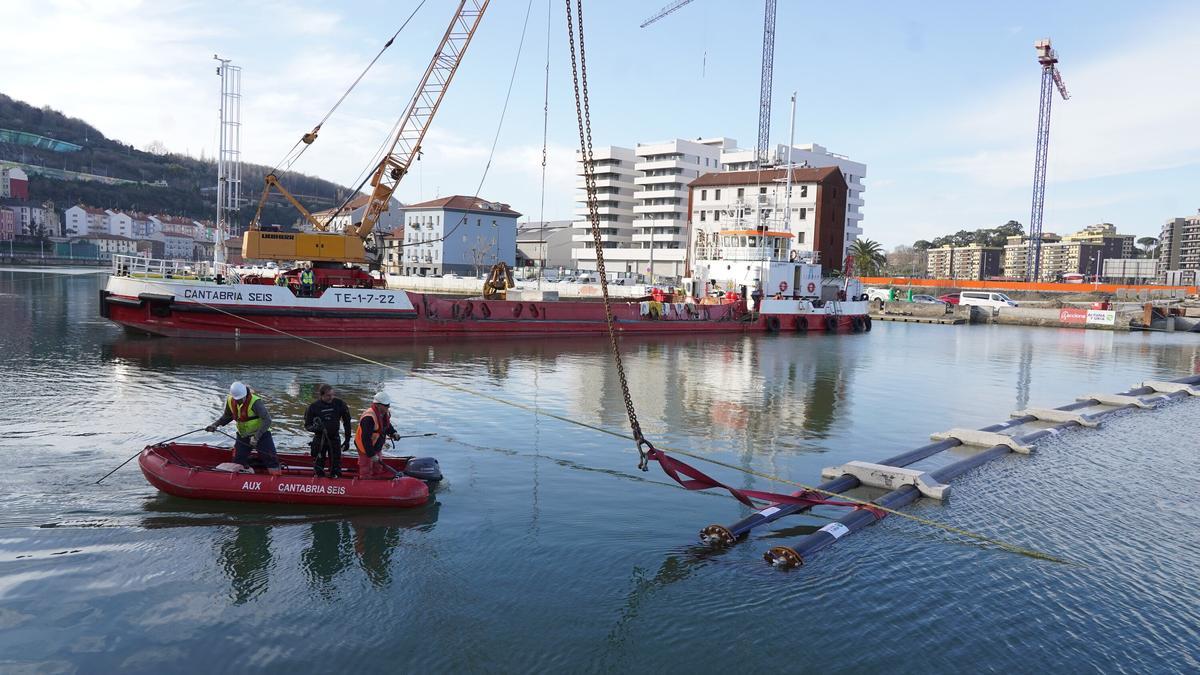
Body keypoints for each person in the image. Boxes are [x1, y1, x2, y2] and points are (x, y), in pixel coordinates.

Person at [207, 381, 280, 475]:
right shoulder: (230, 400)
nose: (238, 401)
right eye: (236, 399)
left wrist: (256, 437)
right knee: (237, 462)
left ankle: (276, 478)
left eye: (240, 399)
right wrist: (215, 424)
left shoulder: (255, 402)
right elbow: (227, 416)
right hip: (243, 436)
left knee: (271, 460)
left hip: (261, 435)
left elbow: (267, 420)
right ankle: (244, 476)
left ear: (245, 394)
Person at [304, 384, 352, 478]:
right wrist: (317, 428)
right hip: (320, 439)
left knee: (336, 465)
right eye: (328, 395)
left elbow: (347, 422)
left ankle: (336, 477)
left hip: (334, 438)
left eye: (332, 395)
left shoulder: (339, 403)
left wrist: (347, 440)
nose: (331, 397)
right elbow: (307, 425)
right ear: (321, 395)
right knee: (318, 465)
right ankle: (319, 479)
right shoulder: (313, 407)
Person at [354, 391, 400, 479]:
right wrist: (371, 454)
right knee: (366, 466)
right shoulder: (369, 418)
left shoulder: (384, 413)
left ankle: (377, 479)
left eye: (388, 405)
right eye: (386, 405)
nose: (388, 407)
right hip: (365, 446)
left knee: (378, 465)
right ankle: (365, 480)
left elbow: (387, 425)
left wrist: (393, 433)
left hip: (377, 445)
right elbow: (365, 439)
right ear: (378, 405)